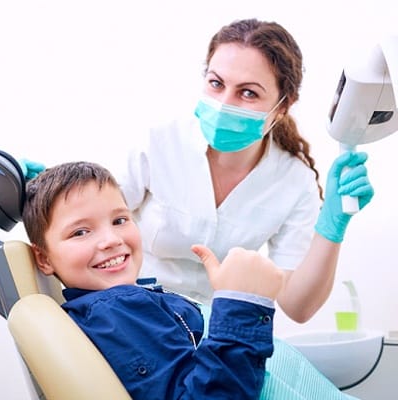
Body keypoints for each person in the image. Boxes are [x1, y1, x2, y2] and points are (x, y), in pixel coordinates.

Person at [120, 18, 374, 323]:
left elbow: (298, 305)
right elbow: (89, 225)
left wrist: (332, 226)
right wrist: (48, 197)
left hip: (214, 333)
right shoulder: (158, 143)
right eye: (216, 83)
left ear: (282, 106)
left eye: (248, 93)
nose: (225, 103)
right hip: (134, 315)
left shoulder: (293, 181)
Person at [21, 161, 285, 400]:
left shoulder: (115, 306)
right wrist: (242, 305)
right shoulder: (118, 311)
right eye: (80, 232)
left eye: (119, 219)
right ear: (43, 258)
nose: (112, 239)